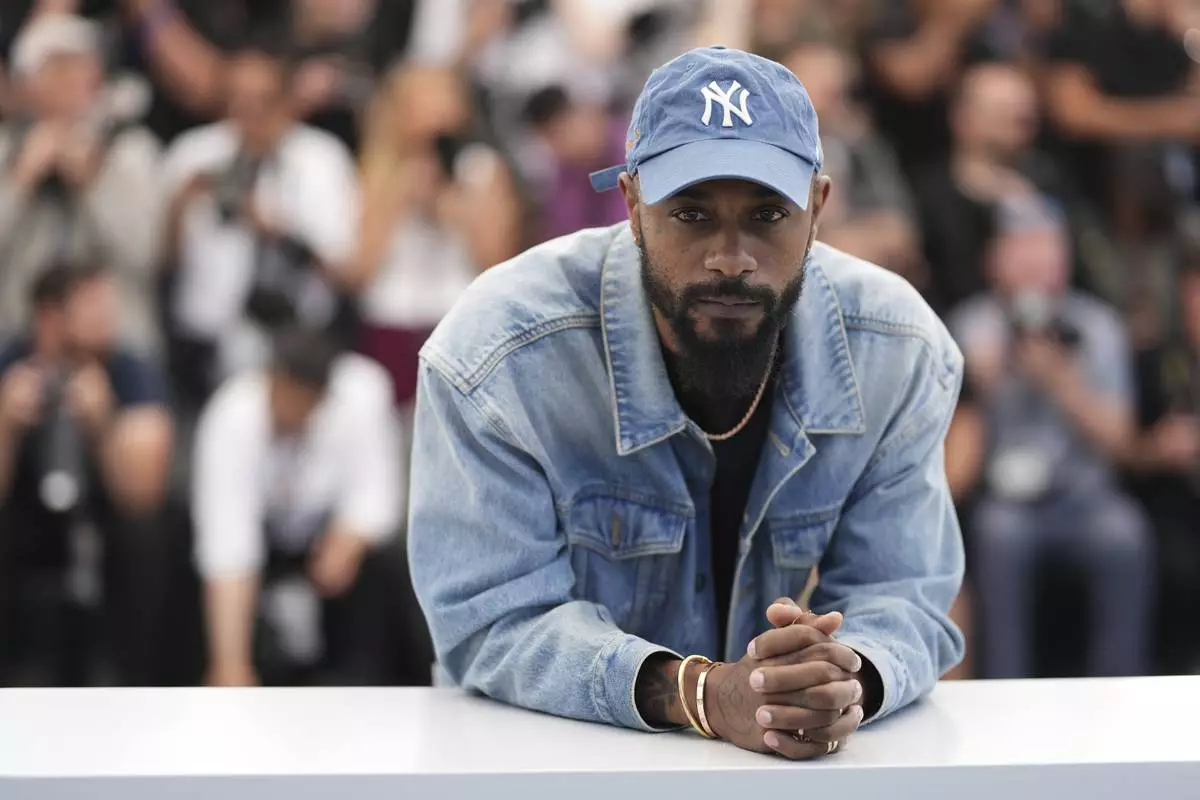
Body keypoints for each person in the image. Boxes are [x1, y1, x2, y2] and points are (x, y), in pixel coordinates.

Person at [408, 46, 965, 760]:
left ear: (819, 207)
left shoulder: (899, 349)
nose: (730, 257)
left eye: (767, 214)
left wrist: (834, 683)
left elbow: (906, 594)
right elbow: (491, 619)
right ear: (634, 204)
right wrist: (700, 693)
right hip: (545, 759)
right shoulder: (499, 354)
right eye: (693, 213)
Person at [948, 194, 1153, 679]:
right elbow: (957, 439)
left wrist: (1062, 382)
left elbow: (1122, 442)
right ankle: (1004, 692)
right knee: (999, 537)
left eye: (1049, 249)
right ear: (995, 261)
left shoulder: (1097, 326)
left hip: (1087, 500)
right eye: (1024, 248)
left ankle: (1122, 690)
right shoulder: (972, 327)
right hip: (1007, 503)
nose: (1039, 263)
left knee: (1126, 535)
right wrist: (988, 379)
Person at [192, 327, 410, 687]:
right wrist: (230, 664)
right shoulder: (230, 417)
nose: (288, 410)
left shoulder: (364, 391)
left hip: (331, 549)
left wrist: (351, 536)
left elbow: (379, 493)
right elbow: (227, 546)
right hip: (265, 553)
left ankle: (363, 683)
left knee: (384, 565)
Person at [160, 38, 358, 409]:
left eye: (260, 101)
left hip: (298, 338)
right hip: (205, 341)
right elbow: (160, 263)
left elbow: (345, 271)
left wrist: (280, 231)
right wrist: (178, 207)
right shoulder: (193, 156)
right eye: (235, 99)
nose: (247, 113)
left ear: (286, 101)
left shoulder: (323, 160)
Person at [0, 262, 174, 685]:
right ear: (50, 315)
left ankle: (136, 680)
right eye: (93, 305)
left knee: (149, 535)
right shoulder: (9, 364)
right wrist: (5, 426)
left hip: (102, 519)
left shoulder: (132, 370)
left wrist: (103, 426)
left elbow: (143, 496)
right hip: (20, 518)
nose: (108, 317)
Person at [347, 63, 520, 412]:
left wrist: (455, 210)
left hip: (457, 319)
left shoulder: (482, 169)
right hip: (390, 321)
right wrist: (397, 200)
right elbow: (359, 272)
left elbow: (500, 264)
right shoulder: (378, 169)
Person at [0, 12, 164, 353]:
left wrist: (95, 183)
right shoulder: (5, 149)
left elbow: (149, 254)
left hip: (119, 344)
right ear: (27, 83)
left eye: (85, 65)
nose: (77, 80)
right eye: (59, 68)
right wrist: (18, 182)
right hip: (19, 340)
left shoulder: (130, 149)